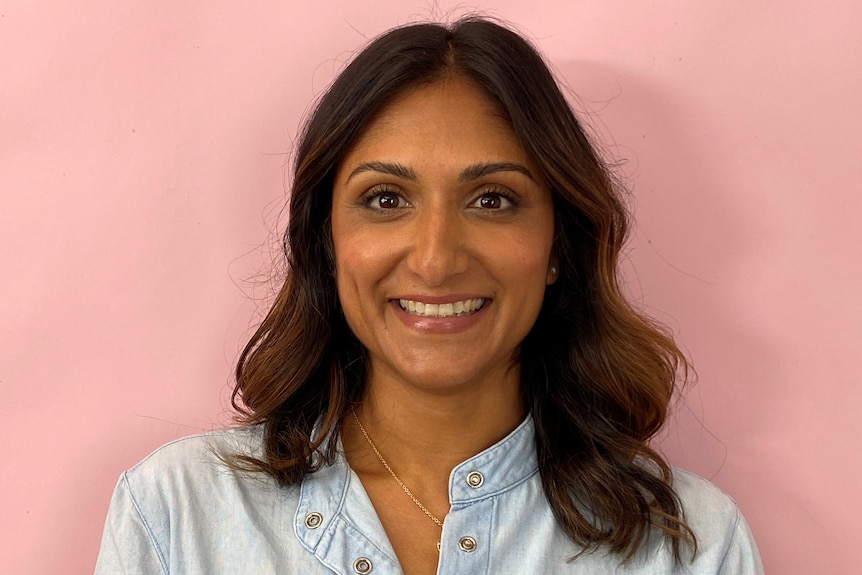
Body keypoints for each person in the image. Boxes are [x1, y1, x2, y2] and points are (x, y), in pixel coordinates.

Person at [95, 17, 763, 575]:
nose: (437, 257)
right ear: (328, 244)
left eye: (493, 199)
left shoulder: (689, 548)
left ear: (559, 245)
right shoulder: (177, 518)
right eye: (386, 199)